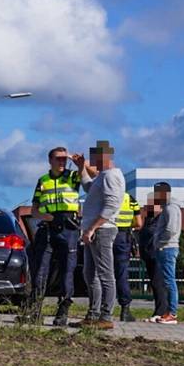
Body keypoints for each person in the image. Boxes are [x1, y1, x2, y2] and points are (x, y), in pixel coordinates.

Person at [25, 146, 82, 326]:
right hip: (49, 226)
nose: (62, 162)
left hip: (69, 227)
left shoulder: (73, 177)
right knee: (41, 269)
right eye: (58, 158)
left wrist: (80, 163)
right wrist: (48, 217)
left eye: (65, 159)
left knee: (68, 269)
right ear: (50, 160)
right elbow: (34, 210)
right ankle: (35, 309)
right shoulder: (43, 180)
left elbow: (92, 177)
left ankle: (63, 309)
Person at [74, 141, 124, 329]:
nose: (92, 161)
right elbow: (89, 188)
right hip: (93, 231)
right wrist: (81, 169)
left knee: (105, 274)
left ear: (105, 156)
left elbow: (112, 205)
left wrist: (92, 228)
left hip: (102, 230)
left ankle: (106, 316)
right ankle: (93, 314)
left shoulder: (111, 176)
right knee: (90, 274)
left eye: (94, 157)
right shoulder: (103, 176)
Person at [148, 181, 182, 324]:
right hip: (165, 247)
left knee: (169, 281)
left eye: (157, 194)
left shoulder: (171, 209)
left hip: (167, 248)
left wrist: (160, 241)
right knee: (166, 281)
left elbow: (171, 229)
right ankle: (167, 312)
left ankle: (172, 313)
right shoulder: (168, 208)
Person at [113, 191, 143, 322]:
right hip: (123, 238)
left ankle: (100, 308)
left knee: (102, 272)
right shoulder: (130, 199)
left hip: (106, 235)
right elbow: (139, 223)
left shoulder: (106, 195)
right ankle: (125, 310)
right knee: (122, 273)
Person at [138, 195, 168, 319]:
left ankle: (161, 311)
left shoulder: (161, 219)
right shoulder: (149, 219)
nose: (148, 207)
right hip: (148, 253)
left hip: (157, 254)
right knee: (154, 283)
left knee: (158, 282)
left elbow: (155, 233)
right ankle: (158, 310)